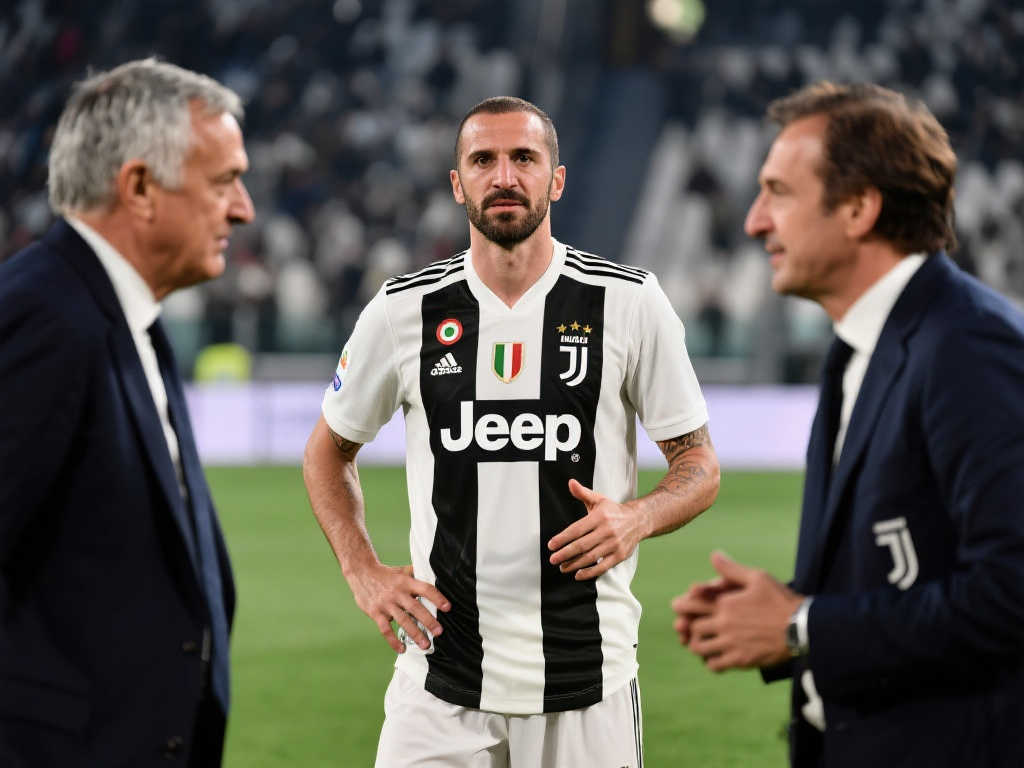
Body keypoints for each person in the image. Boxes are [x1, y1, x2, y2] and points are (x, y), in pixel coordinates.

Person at [303, 96, 719, 767]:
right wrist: (363, 571)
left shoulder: (628, 302)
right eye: (483, 160)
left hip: (588, 678)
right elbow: (329, 450)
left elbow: (698, 463)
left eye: (524, 158)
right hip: (440, 679)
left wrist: (638, 517)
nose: (504, 176)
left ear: (556, 180)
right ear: (457, 183)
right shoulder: (403, 311)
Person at [672, 81, 1024, 767]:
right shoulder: (860, 347)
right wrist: (783, 612)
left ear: (860, 208)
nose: (754, 222)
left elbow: (1010, 593)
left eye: (778, 193)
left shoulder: (968, 348)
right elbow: (912, 575)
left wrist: (802, 625)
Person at [0, 59, 254, 766]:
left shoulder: (119, 314)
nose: (243, 209)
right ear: (139, 186)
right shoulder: (45, 318)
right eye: (224, 181)